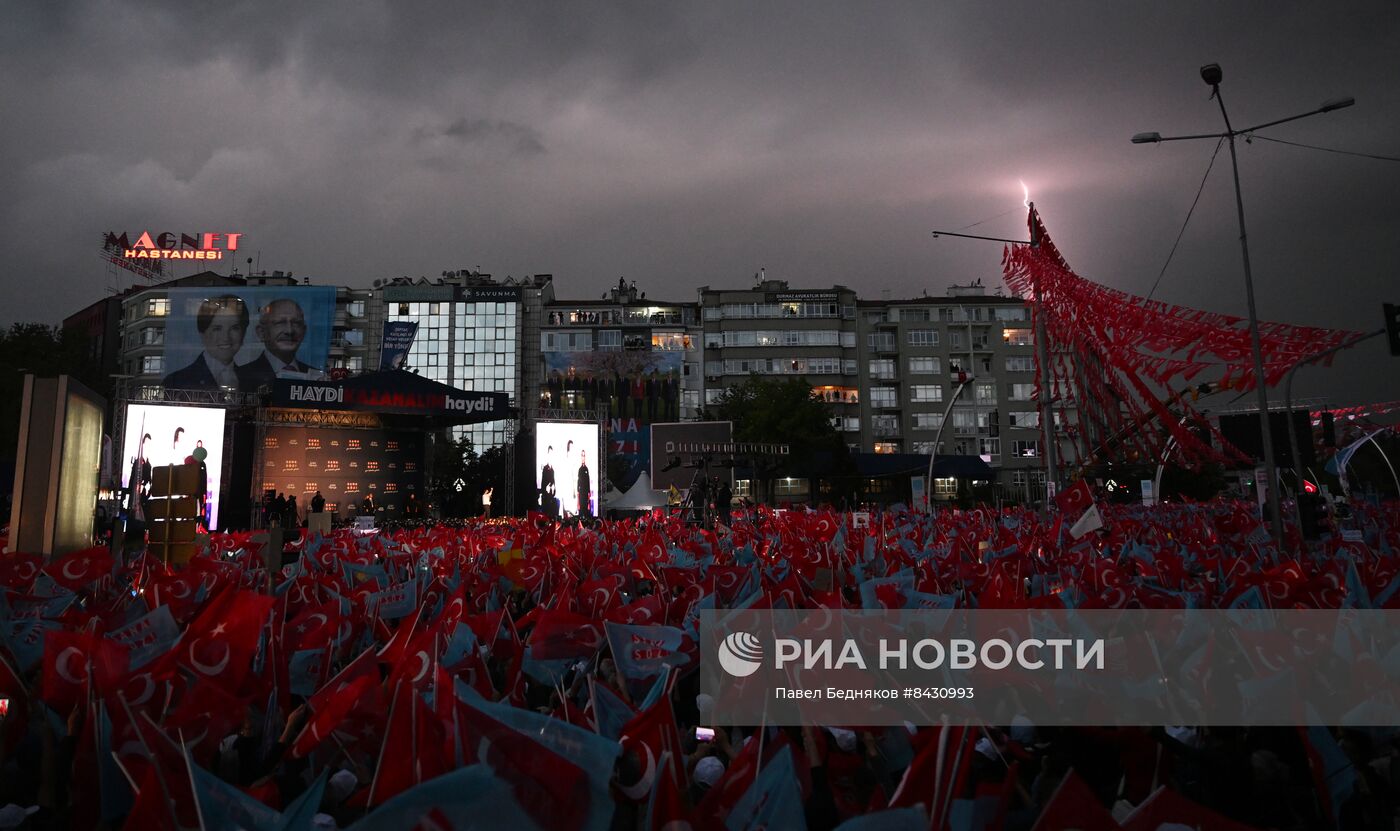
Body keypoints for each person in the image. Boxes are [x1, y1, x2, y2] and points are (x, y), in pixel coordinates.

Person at [237, 297, 326, 390]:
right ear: (262, 332)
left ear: (304, 331)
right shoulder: (241, 375)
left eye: (296, 323)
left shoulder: (316, 378)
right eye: (280, 323)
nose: (289, 330)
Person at [163, 295, 249, 390]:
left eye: (234, 328)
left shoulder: (252, 379)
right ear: (202, 334)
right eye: (217, 329)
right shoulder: (176, 382)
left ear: (243, 333)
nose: (226, 337)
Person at [539, 446, 557, 518]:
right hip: (546, 496)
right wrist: (546, 488)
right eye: (549, 454)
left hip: (551, 496)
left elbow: (553, 482)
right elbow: (543, 482)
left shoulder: (552, 469)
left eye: (552, 454)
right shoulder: (545, 468)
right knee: (546, 513)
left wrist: (553, 488)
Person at [577, 451, 592, 518]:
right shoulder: (580, 469)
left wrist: (589, 491)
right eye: (582, 455)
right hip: (581, 491)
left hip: (585, 491)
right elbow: (578, 479)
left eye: (584, 455)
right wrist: (578, 489)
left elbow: (588, 480)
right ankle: (581, 516)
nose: (583, 457)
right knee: (581, 505)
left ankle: (586, 517)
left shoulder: (586, 468)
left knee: (586, 505)